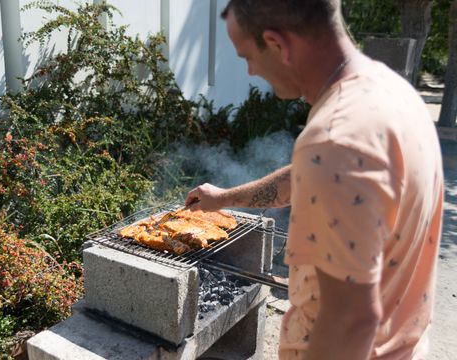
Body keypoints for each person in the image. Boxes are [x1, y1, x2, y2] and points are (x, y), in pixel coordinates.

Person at [185, 0, 444, 359]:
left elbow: (349, 322)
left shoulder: (336, 139)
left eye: (247, 57)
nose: (249, 72)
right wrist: (224, 197)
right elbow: (307, 178)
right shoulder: (390, 95)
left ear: (278, 44)